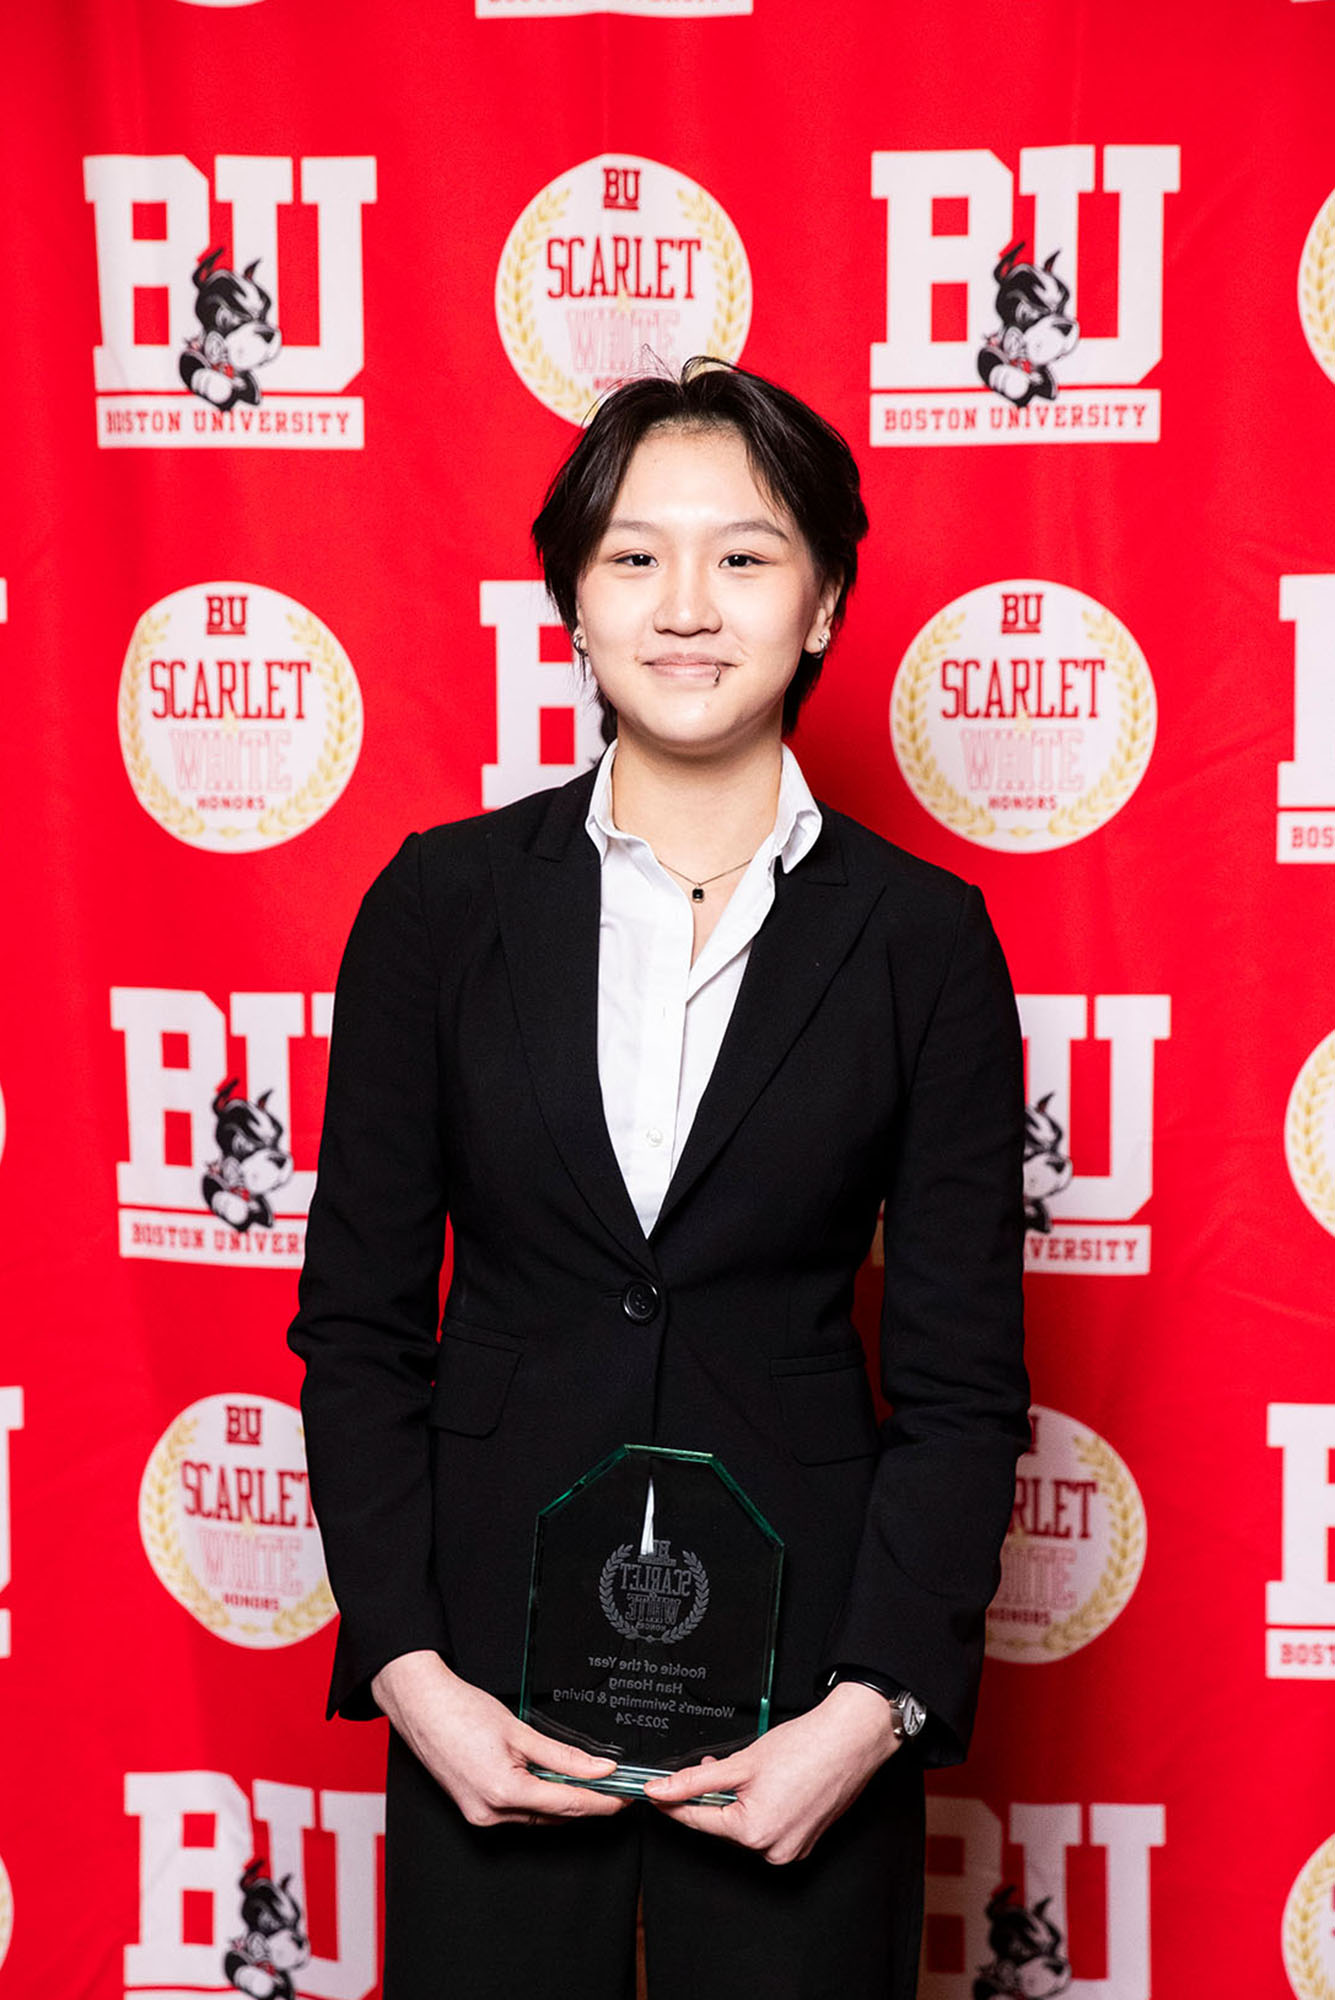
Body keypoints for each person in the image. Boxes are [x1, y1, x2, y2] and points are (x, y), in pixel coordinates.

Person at [288, 357, 1029, 2000]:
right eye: (634, 555)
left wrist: (870, 1712)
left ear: (828, 600)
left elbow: (967, 1390)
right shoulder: (440, 905)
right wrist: (409, 1667)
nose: (686, 606)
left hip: (804, 1695)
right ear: (569, 599)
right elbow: (355, 1327)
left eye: (747, 556)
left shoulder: (925, 945)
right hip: (486, 1680)